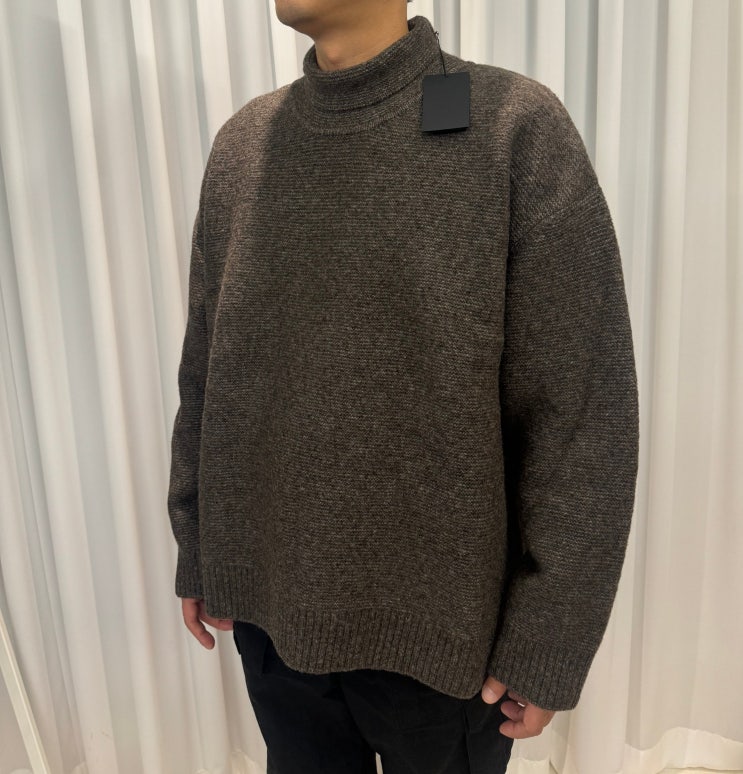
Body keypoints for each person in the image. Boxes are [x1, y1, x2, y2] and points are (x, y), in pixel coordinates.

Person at [167, 1, 640, 772]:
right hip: (272, 617)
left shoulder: (511, 128)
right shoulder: (244, 146)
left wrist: (548, 639)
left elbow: (580, 411)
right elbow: (207, 371)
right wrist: (198, 541)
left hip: (448, 646)